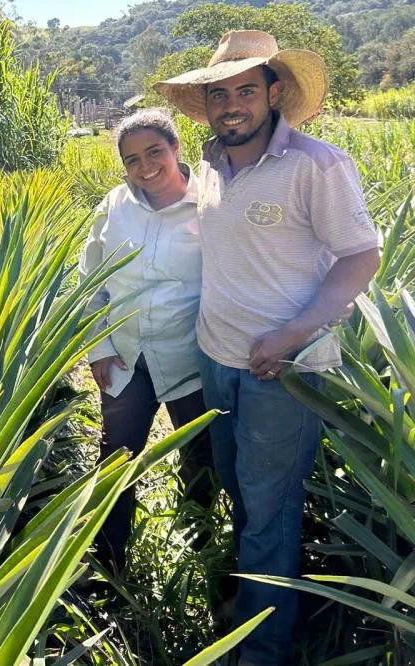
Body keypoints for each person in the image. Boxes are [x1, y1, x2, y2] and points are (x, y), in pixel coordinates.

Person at [155, 31, 381, 665]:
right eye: (219, 92)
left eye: (245, 91)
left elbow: (362, 256)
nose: (232, 104)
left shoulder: (317, 164)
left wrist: (293, 332)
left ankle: (260, 652)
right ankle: (251, 610)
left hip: (285, 371)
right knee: (240, 489)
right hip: (218, 357)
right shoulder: (209, 164)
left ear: (274, 93)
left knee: (268, 508)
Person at [79, 108, 216, 573]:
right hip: (127, 358)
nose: (145, 167)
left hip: (191, 358)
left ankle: (204, 554)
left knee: (201, 459)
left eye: (155, 151)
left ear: (177, 148)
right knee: (115, 459)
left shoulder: (212, 205)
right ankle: (110, 565)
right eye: (132, 159)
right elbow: (90, 278)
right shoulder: (114, 206)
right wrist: (97, 347)